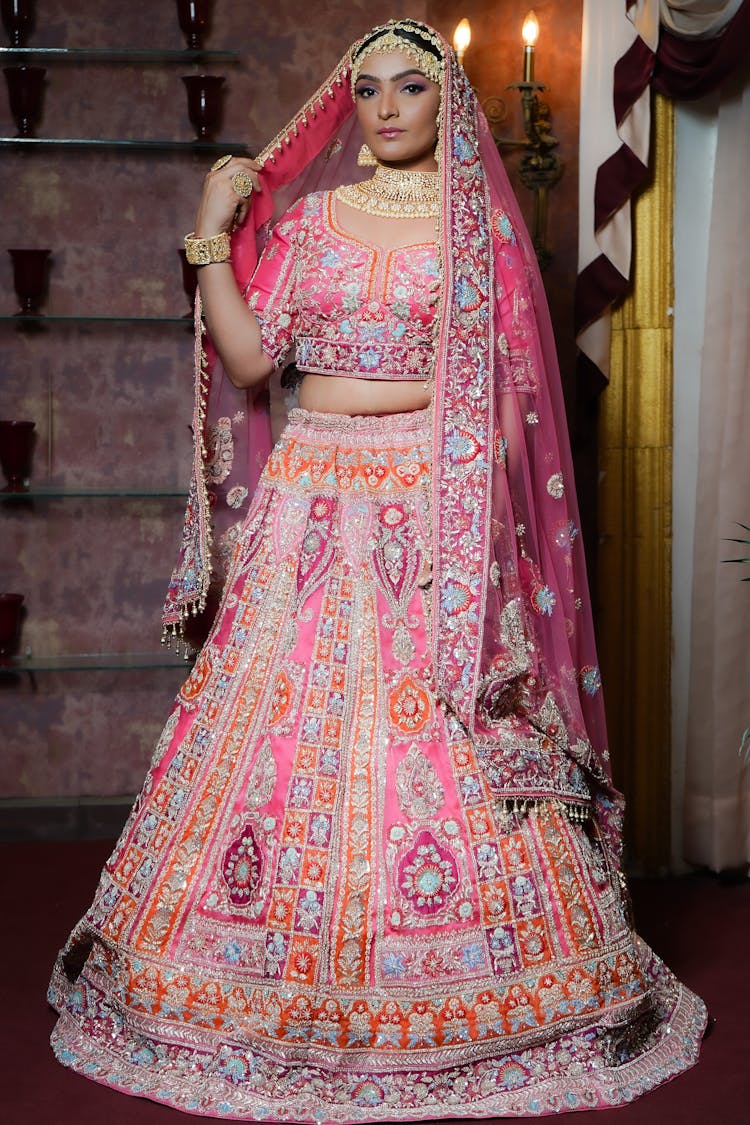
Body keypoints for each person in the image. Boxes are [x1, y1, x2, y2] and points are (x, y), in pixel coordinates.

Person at [48, 19, 706, 1121]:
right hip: (309, 497)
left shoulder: (480, 232)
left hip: (427, 505)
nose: (389, 105)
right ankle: (253, 981)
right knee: (277, 730)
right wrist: (212, 237)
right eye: (368, 89)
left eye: (413, 85)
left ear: (447, 104)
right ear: (345, 104)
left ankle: (471, 986)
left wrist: (463, 536)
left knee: (434, 733)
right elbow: (256, 361)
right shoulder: (305, 224)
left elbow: (504, 414)